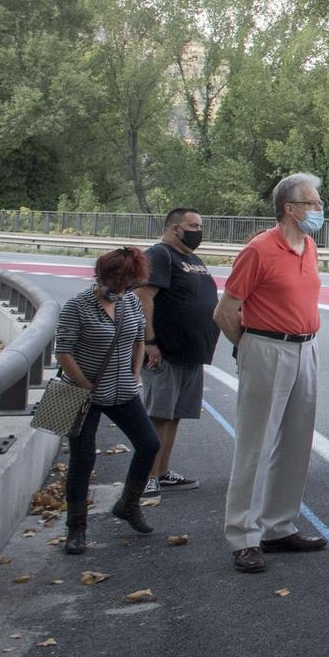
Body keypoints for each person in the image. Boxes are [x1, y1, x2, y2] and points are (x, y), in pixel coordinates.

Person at [214, 172, 328, 574]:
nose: (319, 209)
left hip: (306, 347)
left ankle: (279, 526)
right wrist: (249, 347)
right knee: (256, 444)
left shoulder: (309, 246)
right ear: (289, 208)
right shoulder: (259, 250)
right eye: (312, 203)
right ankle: (243, 536)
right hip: (267, 346)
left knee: (297, 441)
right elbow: (225, 311)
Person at [57, 247, 161, 555]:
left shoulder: (130, 301)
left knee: (149, 444)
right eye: (118, 280)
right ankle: (76, 528)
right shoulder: (77, 305)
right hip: (83, 392)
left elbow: (138, 338)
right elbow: (63, 351)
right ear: (102, 276)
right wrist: (85, 384)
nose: (122, 287)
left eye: (129, 282)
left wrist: (134, 373)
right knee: (82, 459)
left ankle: (128, 504)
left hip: (122, 390)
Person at [134, 207, 216, 493]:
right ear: (174, 228)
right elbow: (143, 297)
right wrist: (150, 342)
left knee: (174, 414)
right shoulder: (160, 255)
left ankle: (162, 471)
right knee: (159, 414)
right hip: (165, 351)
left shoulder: (192, 259)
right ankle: (145, 477)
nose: (198, 232)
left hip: (190, 352)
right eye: (193, 226)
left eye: (200, 226)